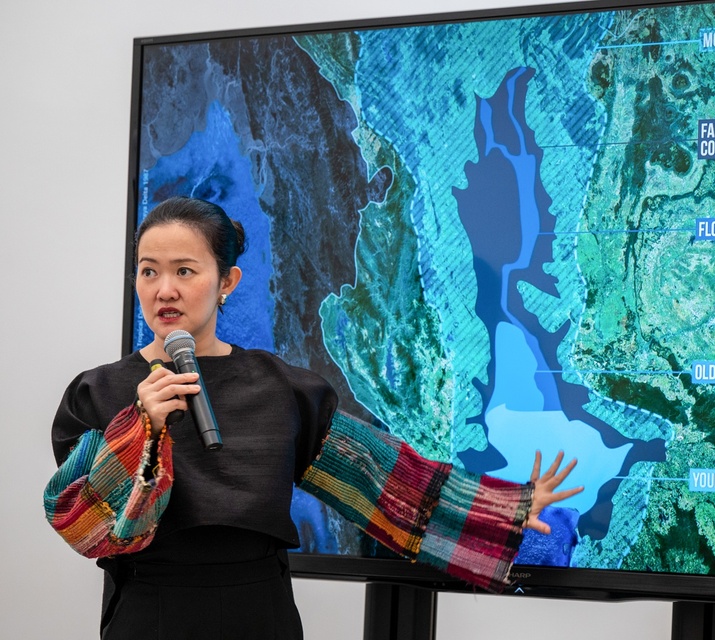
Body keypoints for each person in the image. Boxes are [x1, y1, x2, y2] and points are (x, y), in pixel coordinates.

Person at [44, 196, 582, 639]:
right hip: (148, 612)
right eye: (149, 271)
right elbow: (80, 519)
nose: (165, 289)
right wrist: (142, 427)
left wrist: (504, 509)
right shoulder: (97, 392)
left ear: (227, 282)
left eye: (185, 270)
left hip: (259, 612)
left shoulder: (282, 388)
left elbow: (382, 480)